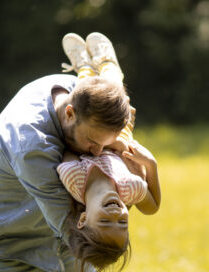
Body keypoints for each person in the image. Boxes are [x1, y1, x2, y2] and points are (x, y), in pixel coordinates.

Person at [0, 34, 133, 271]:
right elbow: (71, 225)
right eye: (93, 142)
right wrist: (110, 247)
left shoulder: (79, 93)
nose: (98, 152)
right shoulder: (31, 143)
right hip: (4, 253)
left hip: (57, 245)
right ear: (70, 114)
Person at [56, 32, 162, 272]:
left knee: (90, 98)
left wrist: (104, 145)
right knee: (115, 93)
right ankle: (107, 63)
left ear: (83, 220)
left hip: (98, 139)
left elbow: (69, 147)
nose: (116, 213)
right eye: (123, 222)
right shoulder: (129, 189)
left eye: (105, 221)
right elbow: (152, 206)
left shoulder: (74, 179)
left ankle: (83, 66)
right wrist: (151, 165)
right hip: (119, 136)